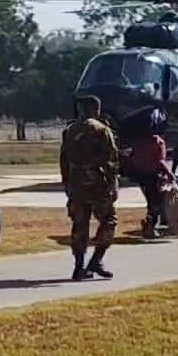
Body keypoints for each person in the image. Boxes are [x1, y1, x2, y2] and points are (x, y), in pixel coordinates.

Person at [60, 95, 119, 280]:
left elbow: (64, 161)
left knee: (79, 225)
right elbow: (111, 160)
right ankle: (96, 260)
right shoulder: (102, 130)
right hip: (98, 184)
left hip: (76, 184)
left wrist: (67, 184)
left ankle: (79, 266)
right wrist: (112, 184)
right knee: (109, 221)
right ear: (97, 109)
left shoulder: (69, 131)